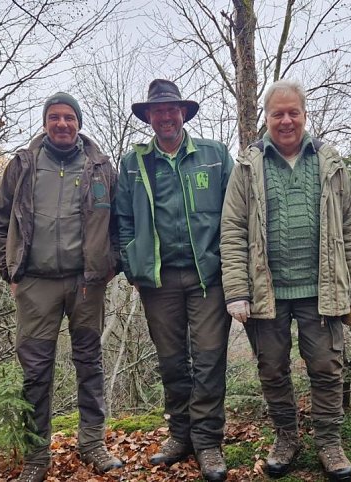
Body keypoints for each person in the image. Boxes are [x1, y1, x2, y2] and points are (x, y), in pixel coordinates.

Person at [220, 79, 351, 482]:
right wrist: (236, 290)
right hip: (266, 291)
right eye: (277, 114)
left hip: (322, 289)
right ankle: (286, 437)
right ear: (266, 118)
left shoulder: (330, 163)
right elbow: (232, 229)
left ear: (305, 115)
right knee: (272, 369)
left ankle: (329, 442)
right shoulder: (248, 166)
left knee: (325, 367)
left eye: (293, 113)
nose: (286, 121)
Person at [0, 93, 122, 482]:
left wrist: (109, 265)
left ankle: (93, 442)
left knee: (90, 364)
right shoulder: (23, 165)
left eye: (68, 118)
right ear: (45, 122)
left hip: (86, 284)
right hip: (35, 284)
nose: (62, 124)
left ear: (78, 122)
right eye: (54, 117)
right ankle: (35, 456)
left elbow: (118, 223)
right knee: (35, 371)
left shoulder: (100, 167)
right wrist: (9, 270)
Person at [115, 79, 233, 482]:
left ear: (183, 113)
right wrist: (133, 264)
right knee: (171, 362)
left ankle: (208, 442)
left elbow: (236, 213)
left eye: (172, 109)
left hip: (208, 278)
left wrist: (228, 262)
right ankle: (180, 435)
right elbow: (123, 221)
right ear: (148, 117)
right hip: (158, 281)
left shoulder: (215, 156)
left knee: (209, 359)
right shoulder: (134, 163)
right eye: (157, 111)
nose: (165, 116)